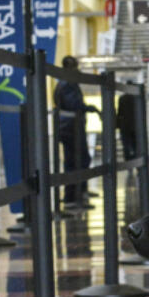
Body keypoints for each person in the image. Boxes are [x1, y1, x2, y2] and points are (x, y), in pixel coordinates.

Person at [52, 55, 101, 206]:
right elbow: (74, 104)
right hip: (70, 129)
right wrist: (91, 108)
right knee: (77, 161)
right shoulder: (67, 84)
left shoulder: (65, 82)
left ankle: (79, 192)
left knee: (77, 161)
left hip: (70, 127)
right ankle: (72, 196)